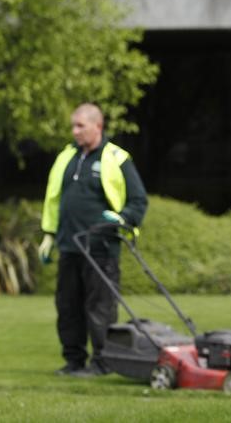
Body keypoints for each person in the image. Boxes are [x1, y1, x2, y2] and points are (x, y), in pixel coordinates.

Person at [38, 103, 148, 377]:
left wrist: (122, 218)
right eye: (73, 126)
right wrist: (49, 236)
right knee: (68, 307)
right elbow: (54, 200)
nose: (74, 131)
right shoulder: (67, 157)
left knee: (99, 308)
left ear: (97, 126)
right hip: (68, 246)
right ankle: (73, 360)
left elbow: (138, 201)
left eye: (80, 126)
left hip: (101, 248)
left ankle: (102, 363)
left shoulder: (116, 157)